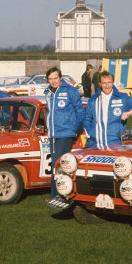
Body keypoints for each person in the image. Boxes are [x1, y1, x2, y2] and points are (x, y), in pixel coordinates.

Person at [44, 67, 85, 209]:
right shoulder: (48, 92)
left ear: (60, 78)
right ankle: (55, 195)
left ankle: (61, 195)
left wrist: (75, 130)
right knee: (55, 166)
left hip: (65, 133)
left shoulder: (70, 91)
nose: (53, 81)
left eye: (56, 78)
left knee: (59, 165)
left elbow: (80, 112)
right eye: (50, 79)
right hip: (53, 134)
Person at [84, 71, 132, 148]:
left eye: (109, 83)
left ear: (113, 83)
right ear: (100, 84)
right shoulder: (93, 100)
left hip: (115, 143)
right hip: (95, 144)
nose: (107, 86)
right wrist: (90, 134)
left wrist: (130, 112)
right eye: (104, 83)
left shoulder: (122, 98)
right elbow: (87, 119)